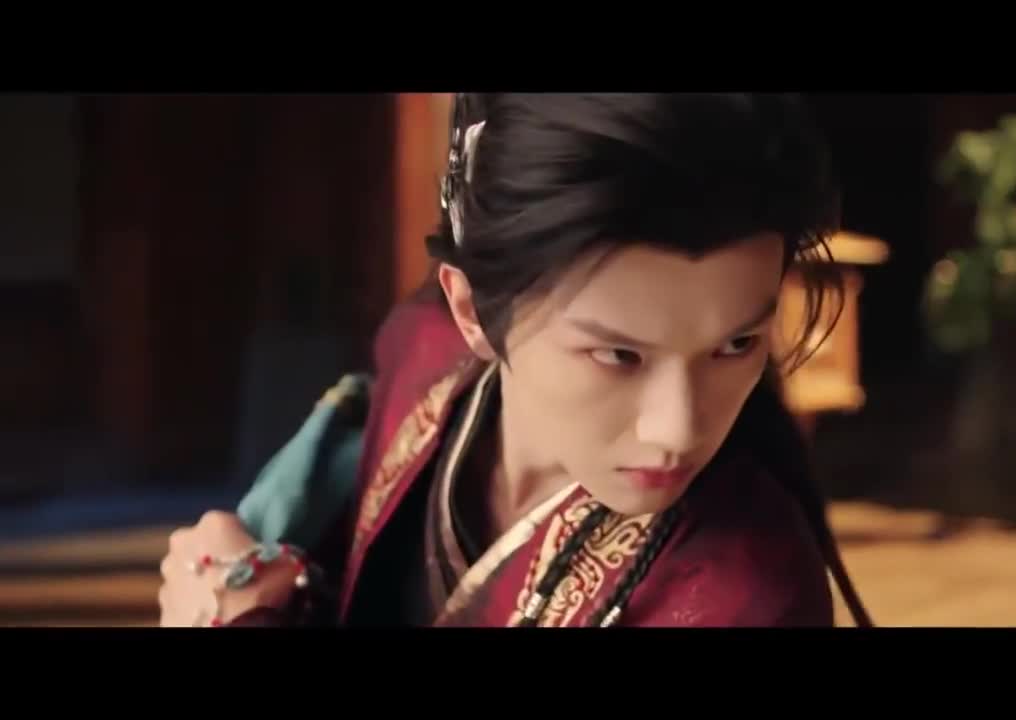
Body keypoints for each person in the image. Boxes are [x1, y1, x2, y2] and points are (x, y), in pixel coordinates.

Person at [158, 93, 875, 628]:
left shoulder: (749, 593)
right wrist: (250, 573)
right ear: (471, 310)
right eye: (618, 354)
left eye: (736, 344)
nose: (678, 429)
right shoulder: (422, 353)